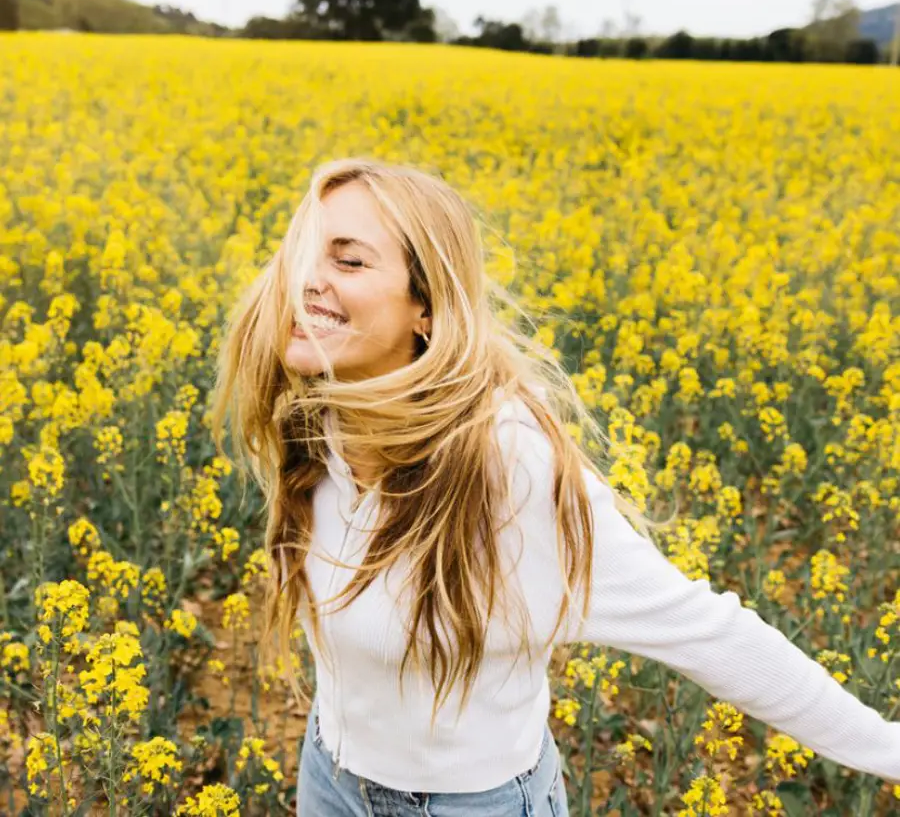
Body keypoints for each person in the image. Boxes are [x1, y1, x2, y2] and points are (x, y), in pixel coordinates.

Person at [210, 157, 900, 816]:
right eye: (302, 252)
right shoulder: (314, 421)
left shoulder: (508, 465)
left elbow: (707, 634)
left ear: (428, 308)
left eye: (348, 259)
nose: (304, 278)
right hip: (331, 778)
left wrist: (889, 753)